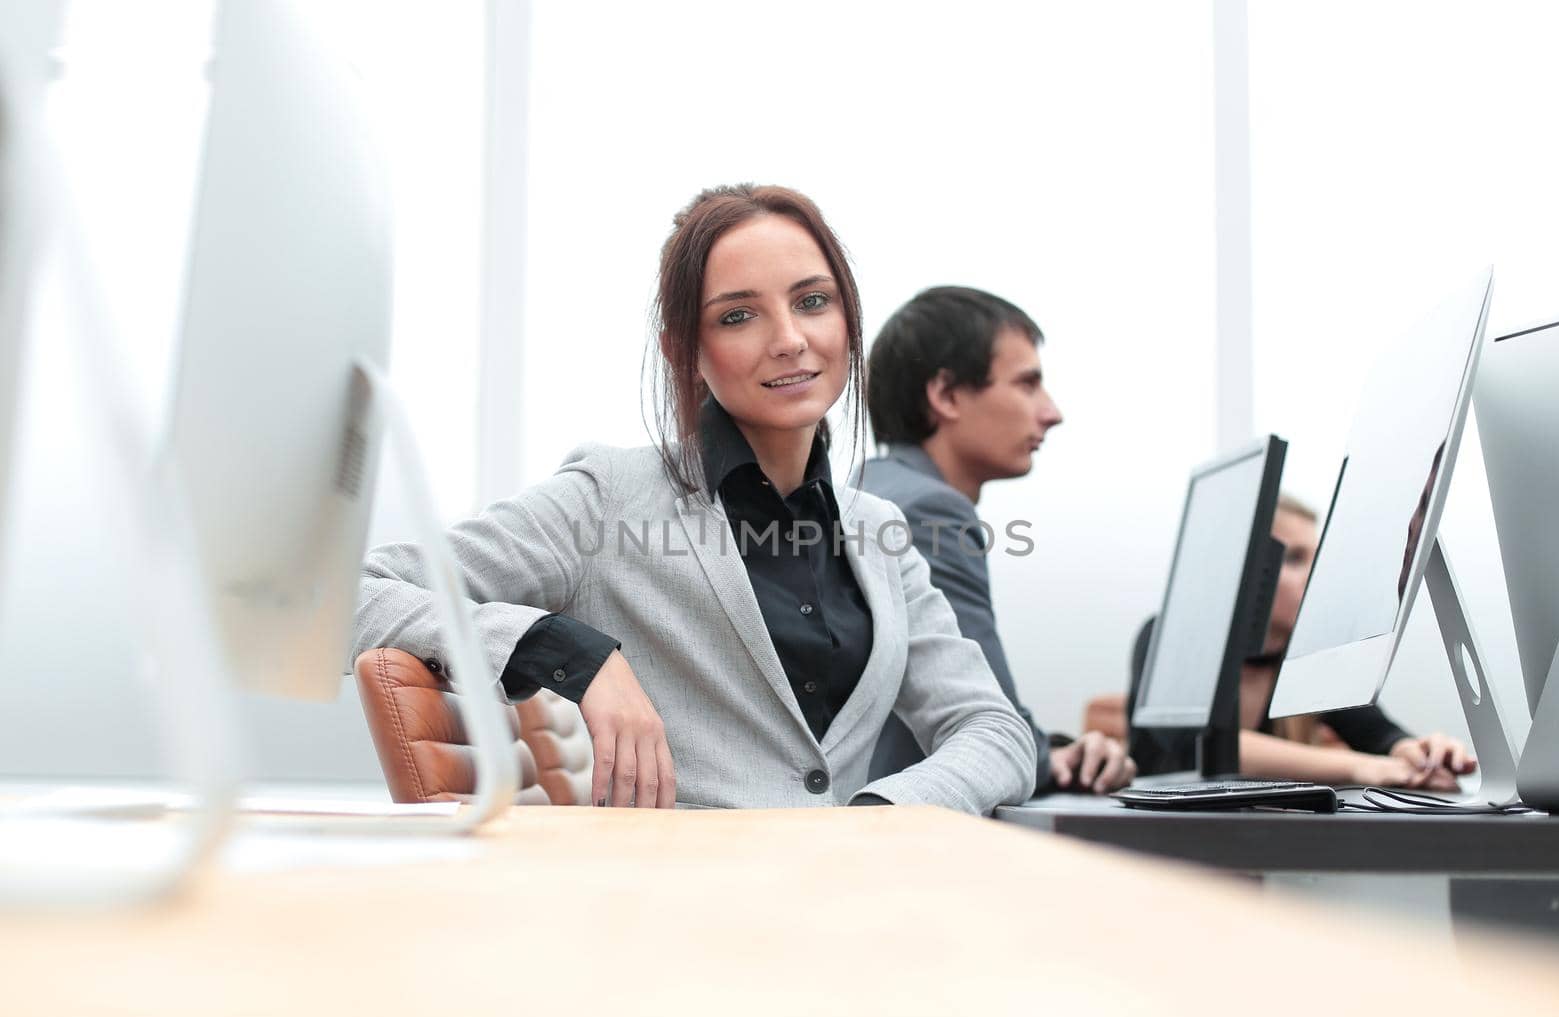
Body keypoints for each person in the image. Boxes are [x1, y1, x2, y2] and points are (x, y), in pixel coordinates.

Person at [350, 184, 1036, 815]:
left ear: (848, 319)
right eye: (739, 315)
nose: (790, 339)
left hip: (844, 904)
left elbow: (995, 730)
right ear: (686, 350)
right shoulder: (608, 499)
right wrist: (567, 651)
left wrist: (882, 817)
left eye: (812, 301)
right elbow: (350, 595)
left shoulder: (879, 531)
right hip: (677, 911)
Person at [860, 286, 1136, 795]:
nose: (1051, 412)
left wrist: (1052, 750)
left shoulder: (870, 489)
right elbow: (994, 732)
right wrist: (1058, 760)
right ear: (946, 396)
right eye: (1028, 384)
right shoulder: (927, 511)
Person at [1127, 494, 1478, 788]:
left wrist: (1416, 752)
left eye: (1316, 558)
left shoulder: (1309, 655)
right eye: (1294, 558)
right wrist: (1359, 767)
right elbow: (1204, 748)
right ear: (1245, 566)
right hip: (1155, 847)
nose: (1314, 575)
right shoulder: (1167, 636)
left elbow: (1376, 732)